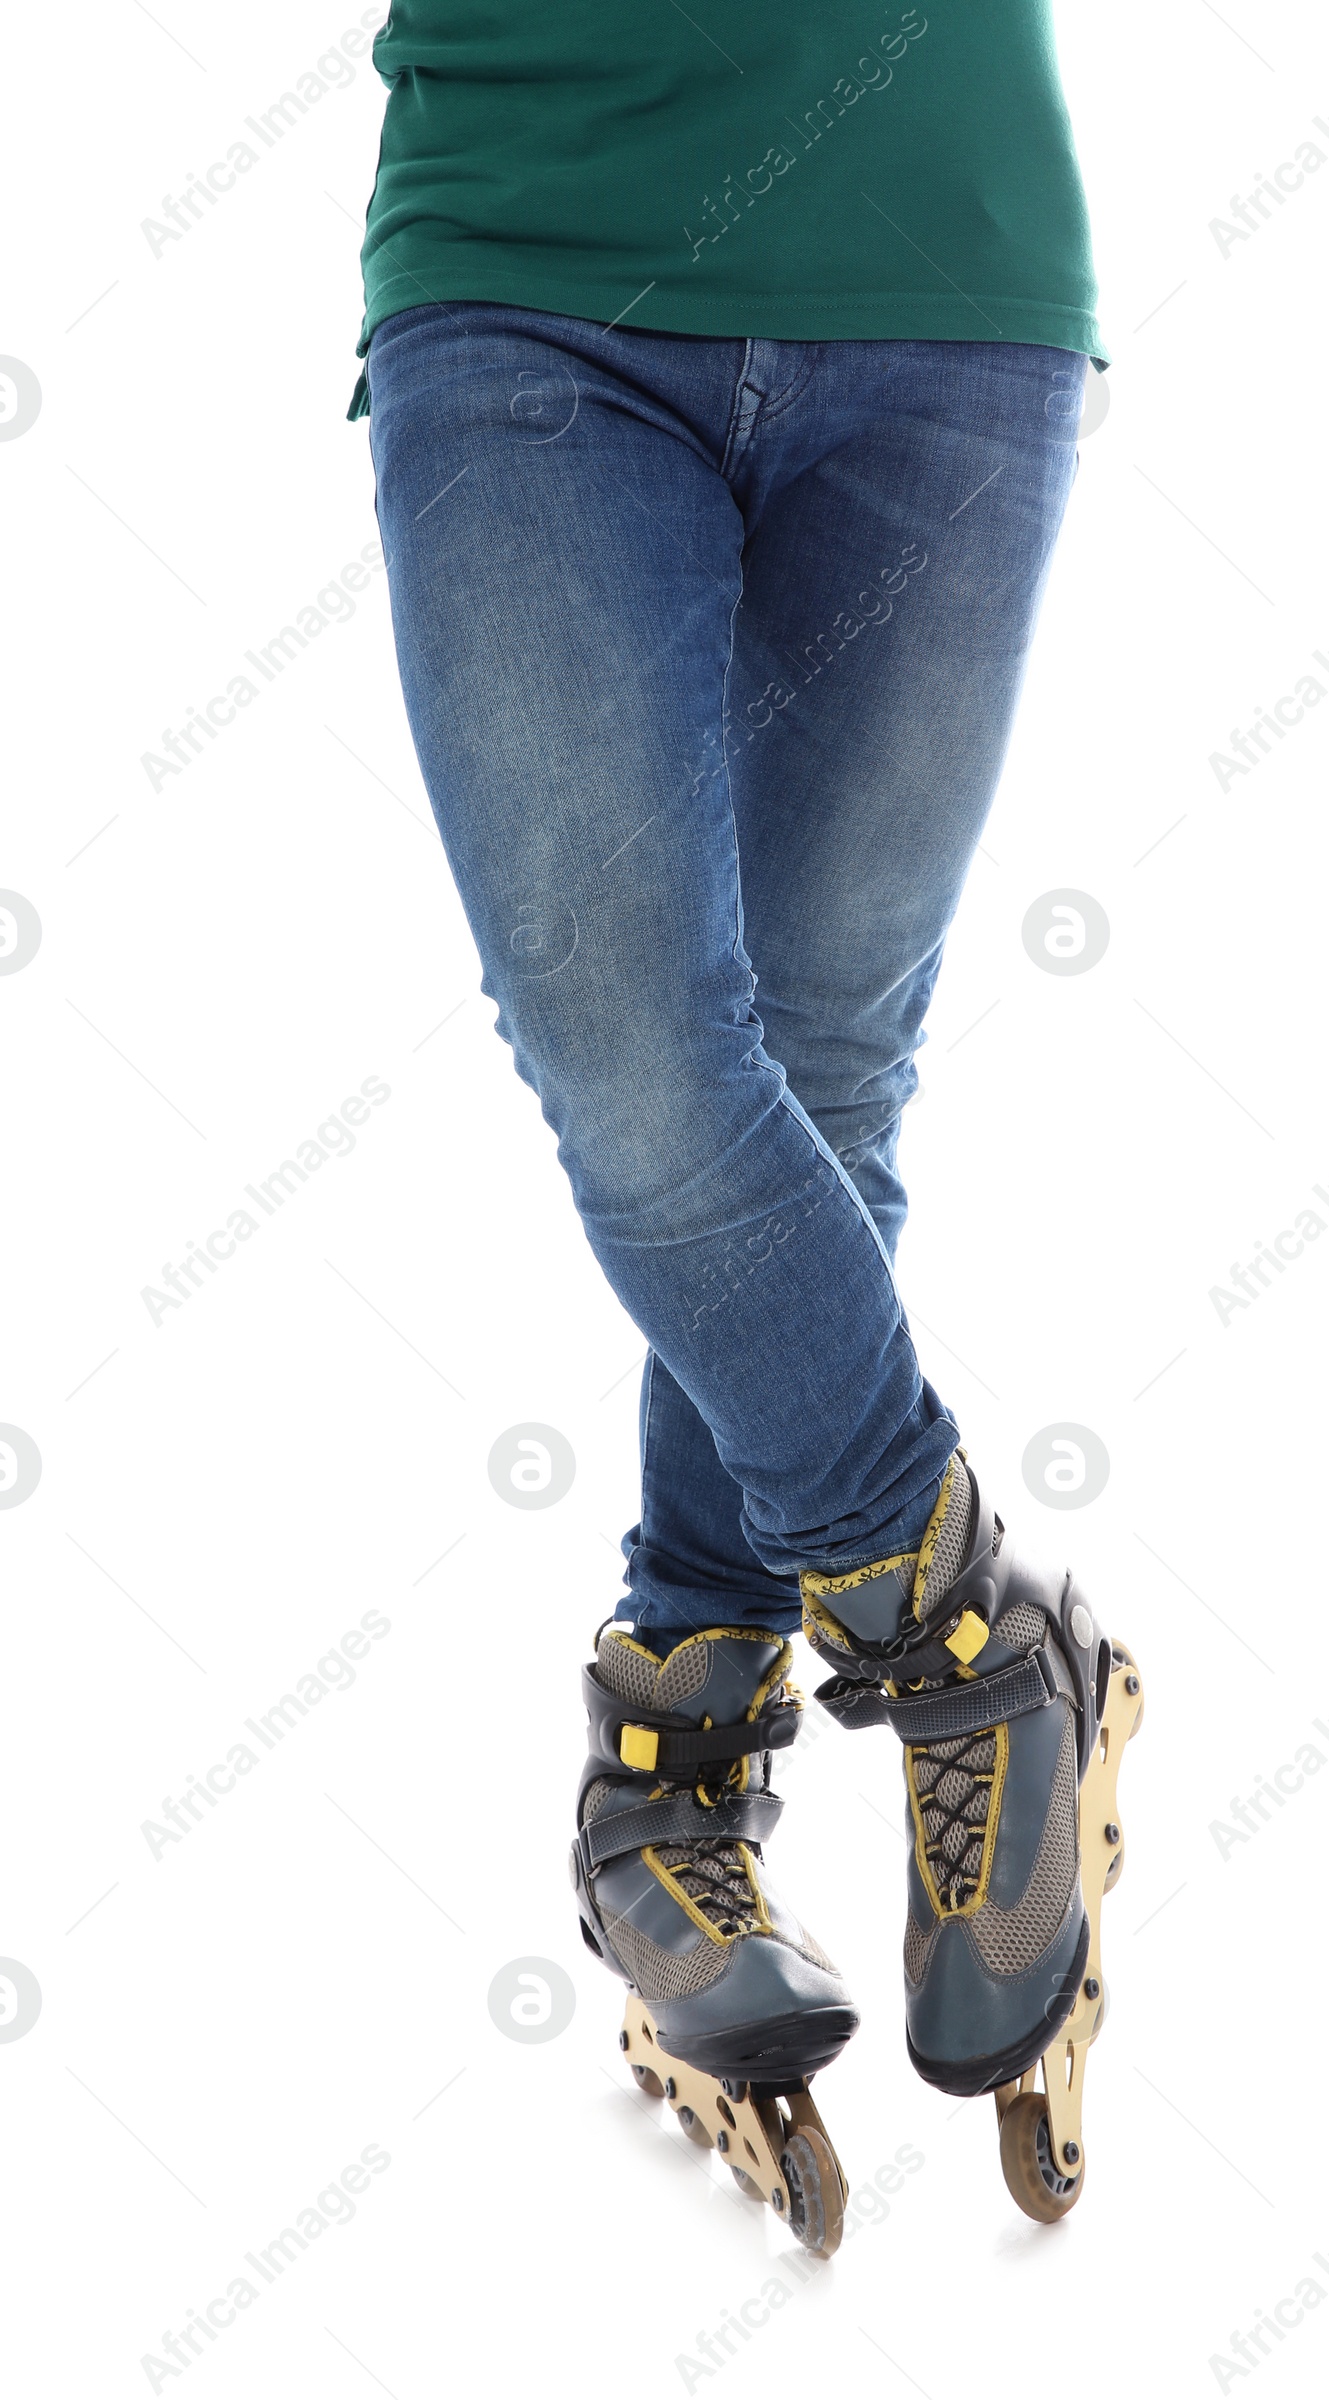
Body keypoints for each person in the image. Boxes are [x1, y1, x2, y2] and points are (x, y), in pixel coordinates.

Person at [352, 0, 1127, 2232]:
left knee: (818, 1067)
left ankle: (672, 1759)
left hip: (947, 264)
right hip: (530, 272)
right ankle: (965, 1642)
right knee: (627, 1043)